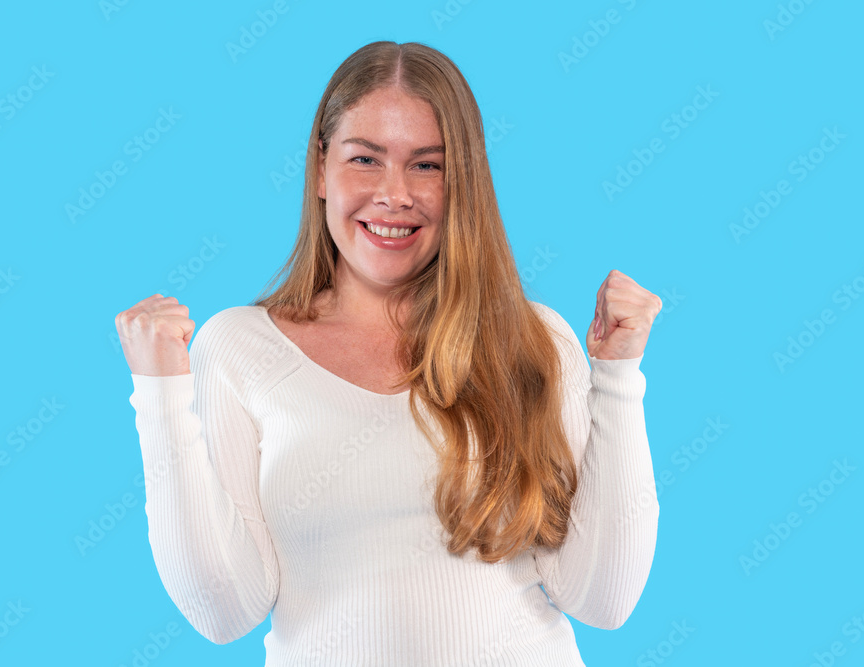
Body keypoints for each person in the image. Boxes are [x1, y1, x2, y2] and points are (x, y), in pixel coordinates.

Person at [116, 40, 663, 666]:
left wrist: (618, 376)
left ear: (464, 182)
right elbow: (224, 612)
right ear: (321, 169)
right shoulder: (242, 347)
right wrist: (158, 395)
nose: (394, 194)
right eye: (365, 159)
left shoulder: (531, 339)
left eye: (427, 166)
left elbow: (604, 600)